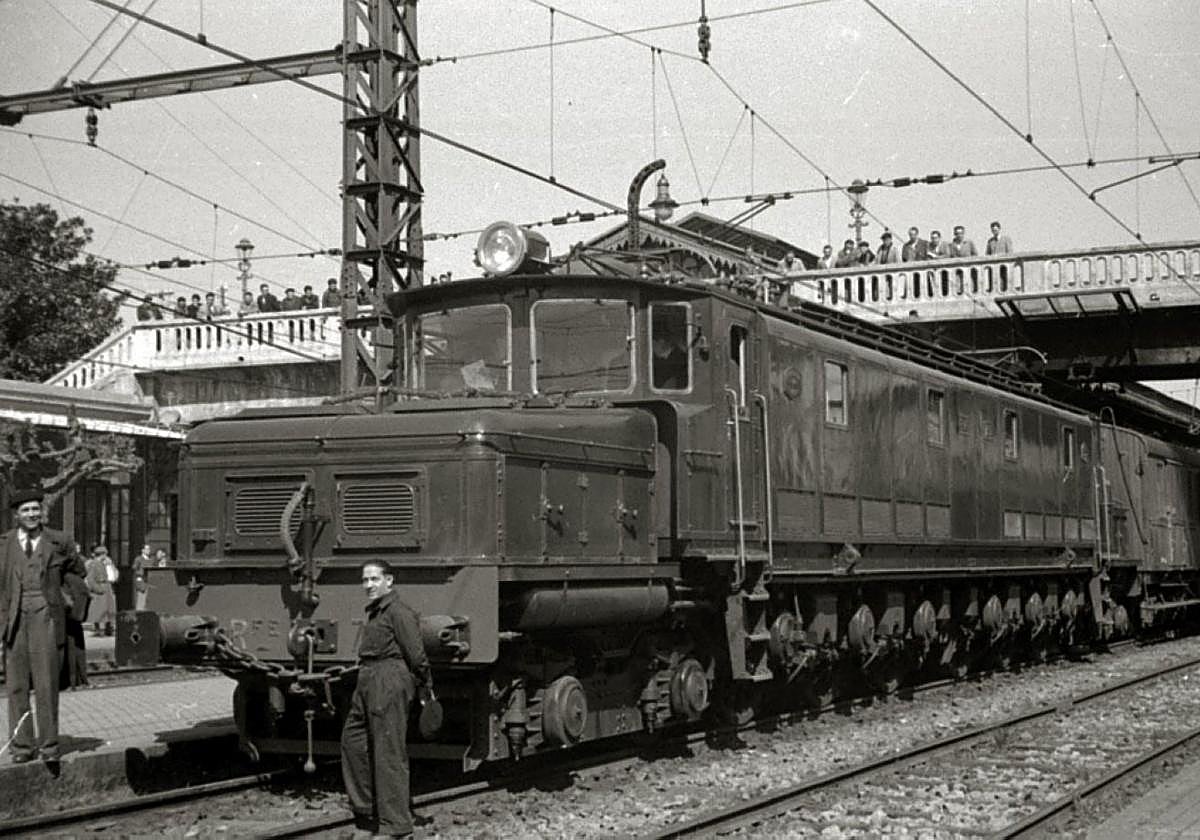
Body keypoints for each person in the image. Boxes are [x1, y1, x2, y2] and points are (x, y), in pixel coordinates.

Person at [341, 560, 432, 840]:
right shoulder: (376, 612)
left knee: (388, 751)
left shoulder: (398, 612)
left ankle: (396, 827)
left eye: (374, 579)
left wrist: (425, 684)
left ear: (389, 581)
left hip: (389, 678)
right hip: (368, 678)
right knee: (353, 742)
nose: (368, 585)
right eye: (365, 580)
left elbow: (416, 654)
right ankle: (367, 814)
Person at [0, 489, 86, 763]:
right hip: (13, 619)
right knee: (16, 686)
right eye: (25, 510)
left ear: (42, 512)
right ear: (16, 515)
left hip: (47, 617)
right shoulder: (4, 544)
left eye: (36, 509)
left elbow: (78, 572)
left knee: (46, 684)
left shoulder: (59, 541)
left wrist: (69, 600)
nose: (32, 514)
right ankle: (22, 748)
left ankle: (49, 747)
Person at [59, 543, 90, 691]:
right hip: (74, 618)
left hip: (65, 618)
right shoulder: (77, 578)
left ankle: (69, 680)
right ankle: (79, 679)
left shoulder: (64, 578)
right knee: (77, 648)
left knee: (67, 648)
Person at [85, 545, 116, 636]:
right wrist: (98, 589)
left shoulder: (104, 563)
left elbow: (112, 575)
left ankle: (108, 628)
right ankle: (98, 629)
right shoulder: (93, 564)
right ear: (101, 555)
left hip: (106, 588)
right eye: (105, 554)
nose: (106, 556)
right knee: (98, 611)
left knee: (109, 609)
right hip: (99, 589)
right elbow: (90, 579)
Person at [131, 543, 151, 611]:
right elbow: (134, 568)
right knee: (140, 598)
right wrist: (139, 574)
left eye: (149, 549)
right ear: (143, 550)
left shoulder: (150, 559)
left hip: (149, 580)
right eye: (147, 549)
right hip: (141, 580)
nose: (148, 550)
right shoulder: (138, 559)